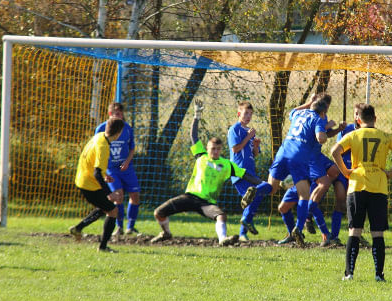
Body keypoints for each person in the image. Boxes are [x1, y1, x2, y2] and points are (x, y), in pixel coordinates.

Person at [150, 100, 266, 246]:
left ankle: (223, 239)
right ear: (207, 148)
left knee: (221, 216)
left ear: (221, 149)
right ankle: (166, 233)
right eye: (212, 148)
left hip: (206, 203)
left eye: (218, 149)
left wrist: (264, 183)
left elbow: (246, 175)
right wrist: (196, 116)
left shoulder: (226, 165)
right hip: (189, 197)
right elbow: (193, 136)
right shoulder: (201, 157)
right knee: (158, 213)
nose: (215, 151)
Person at [331, 103, 392, 281]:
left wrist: (345, 172)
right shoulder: (385, 136)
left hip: (357, 186)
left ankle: (349, 273)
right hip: (379, 188)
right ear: (375, 119)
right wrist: (390, 172)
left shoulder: (353, 135)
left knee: (355, 231)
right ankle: (378, 275)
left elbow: (334, 151)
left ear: (358, 120)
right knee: (377, 233)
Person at [266, 93, 343, 247]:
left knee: (330, 177)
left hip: (311, 159)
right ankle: (294, 232)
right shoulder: (317, 117)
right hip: (305, 160)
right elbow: (321, 135)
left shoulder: (317, 116)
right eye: (326, 106)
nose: (326, 110)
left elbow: (323, 134)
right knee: (283, 207)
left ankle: (319, 230)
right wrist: (329, 126)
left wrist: (336, 129)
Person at [69, 117, 126, 252]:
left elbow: (92, 162)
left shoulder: (99, 136)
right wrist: (109, 192)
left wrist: (104, 175)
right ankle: (103, 247)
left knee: (105, 206)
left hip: (83, 179)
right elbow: (96, 173)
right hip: (89, 184)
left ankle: (78, 228)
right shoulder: (104, 146)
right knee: (113, 211)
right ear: (119, 133)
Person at [95, 102, 141, 239]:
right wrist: (102, 170)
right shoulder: (101, 128)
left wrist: (127, 162)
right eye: (115, 114)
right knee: (118, 196)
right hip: (111, 170)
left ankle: (130, 228)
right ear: (110, 114)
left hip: (126, 169)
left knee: (135, 196)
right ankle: (119, 227)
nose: (118, 116)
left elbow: (132, 148)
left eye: (120, 114)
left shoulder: (127, 128)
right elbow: (96, 150)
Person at [228, 101, 271, 242]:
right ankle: (243, 230)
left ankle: (244, 226)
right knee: (256, 195)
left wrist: (256, 146)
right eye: (246, 113)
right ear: (239, 113)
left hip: (250, 172)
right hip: (239, 172)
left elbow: (255, 154)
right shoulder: (234, 129)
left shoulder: (250, 132)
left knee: (262, 191)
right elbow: (236, 149)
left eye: (250, 114)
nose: (248, 116)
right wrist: (248, 137)